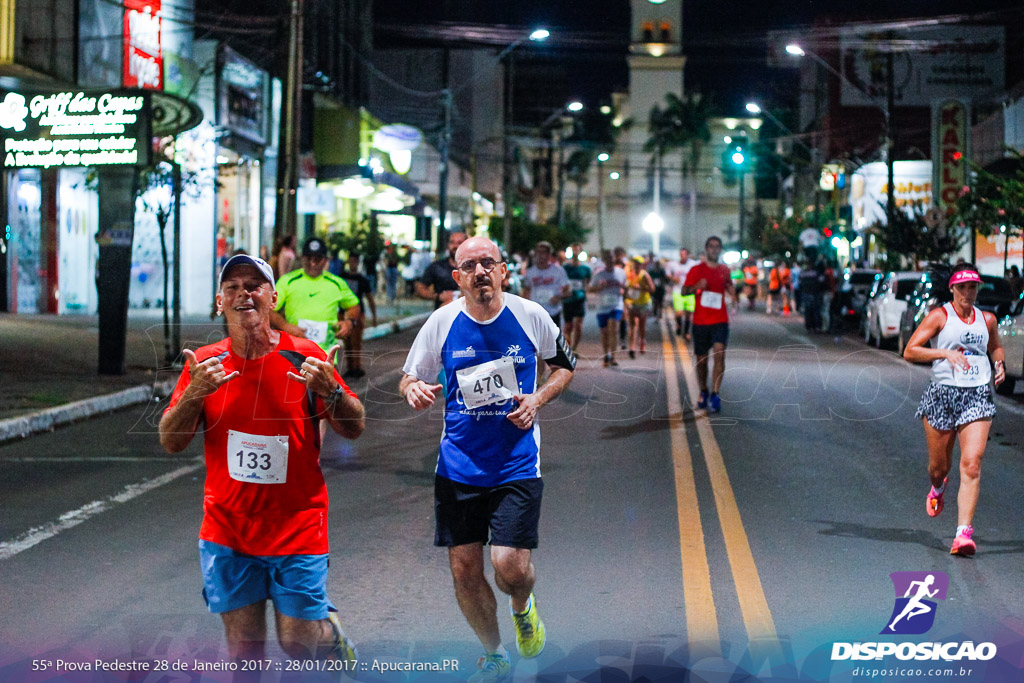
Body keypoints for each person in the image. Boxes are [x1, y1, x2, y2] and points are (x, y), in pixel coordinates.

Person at [158, 253, 365, 665]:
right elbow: (171, 440)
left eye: (254, 286)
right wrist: (195, 393)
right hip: (228, 530)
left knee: (299, 643)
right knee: (244, 654)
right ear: (220, 303)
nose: (243, 294)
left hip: (298, 525)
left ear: (273, 299)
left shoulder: (304, 356)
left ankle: (328, 631)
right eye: (233, 287)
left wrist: (333, 392)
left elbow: (354, 427)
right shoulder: (205, 365)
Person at [399, 237, 576, 682]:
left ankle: (522, 605)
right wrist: (412, 389)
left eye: (487, 264)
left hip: (516, 463)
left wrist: (537, 398)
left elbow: (565, 366)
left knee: (510, 568)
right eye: (469, 266)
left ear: (503, 271)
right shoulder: (441, 322)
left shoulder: (530, 316)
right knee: (464, 570)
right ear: (456, 277)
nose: (480, 272)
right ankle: (493, 652)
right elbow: (409, 376)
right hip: (457, 465)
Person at [903, 263, 1005, 557]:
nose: (968, 293)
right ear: (952, 289)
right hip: (942, 396)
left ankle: (963, 534)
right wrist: (944, 353)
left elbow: (995, 347)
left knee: (972, 463)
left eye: (973, 287)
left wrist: (999, 363)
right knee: (940, 468)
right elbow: (910, 350)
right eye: (963, 288)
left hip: (977, 396)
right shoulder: (939, 316)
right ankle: (937, 487)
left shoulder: (987, 320)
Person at [270, 237, 361, 362]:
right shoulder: (288, 281)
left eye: (317, 259)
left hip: (326, 356)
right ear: (302, 258)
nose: (312, 263)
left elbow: (353, 305)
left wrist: (349, 322)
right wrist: (284, 325)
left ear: (325, 260)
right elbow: (269, 309)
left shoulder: (336, 283)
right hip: (294, 354)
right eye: (309, 259)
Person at [682, 236, 738, 413]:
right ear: (706, 249)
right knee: (701, 360)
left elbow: (729, 285)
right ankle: (704, 391)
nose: (714, 250)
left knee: (720, 354)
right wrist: (696, 286)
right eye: (711, 247)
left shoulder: (724, 270)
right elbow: (684, 291)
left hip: (720, 320)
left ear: (720, 250)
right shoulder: (696, 270)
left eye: (717, 247)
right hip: (700, 321)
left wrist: (733, 295)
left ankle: (715, 393)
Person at [338, 252, 378, 379]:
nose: (353, 263)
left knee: (356, 342)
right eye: (351, 260)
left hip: (358, 313)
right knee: (347, 342)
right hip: (342, 313)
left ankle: (357, 366)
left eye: (355, 261)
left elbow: (370, 298)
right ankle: (350, 367)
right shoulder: (341, 278)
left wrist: (374, 316)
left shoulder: (362, 280)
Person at [590, 250, 626, 367]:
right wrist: (599, 287)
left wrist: (623, 290)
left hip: (616, 305)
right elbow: (590, 289)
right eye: (607, 258)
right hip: (602, 307)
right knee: (605, 333)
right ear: (604, 260)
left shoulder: (621, 272)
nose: (610, 260)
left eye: (611, 258)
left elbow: (625, 286)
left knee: (613, 329)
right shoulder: (599, 274)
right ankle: (606, 355)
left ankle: (614, 357)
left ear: (614, 259)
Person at [522, 241, 571, 327]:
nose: (541, 255)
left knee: (552, 340)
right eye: (538, 252)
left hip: (553, 312)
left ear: (549, 255)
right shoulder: (530, 272)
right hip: (535, 314)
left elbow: (568, 291)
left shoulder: (558, 271)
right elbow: (526, 291)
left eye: (544, 252)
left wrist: (559, 296)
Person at [417, 231, 468, 309]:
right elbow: (420, 288)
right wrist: (438, 296)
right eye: (452, 242)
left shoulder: (474, 268)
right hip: (442, 313)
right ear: (448, 245)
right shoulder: (437, 267)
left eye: (459, 242)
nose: (455, 246)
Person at [561, 243, 592, 351]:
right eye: (573, 250)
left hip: (580, 299)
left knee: (578, 325)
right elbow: (561, 282)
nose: (575, 252)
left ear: (580, 252)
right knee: (568, 326)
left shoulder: (585, 269)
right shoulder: (565, 268)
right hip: (568, 299)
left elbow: (587, 283)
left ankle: (574, 348)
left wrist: (585, 291)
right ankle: (567, 347)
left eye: (577, 250)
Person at [624, 256, 655, 358]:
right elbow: (626, 288)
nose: (636, 265)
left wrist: (641, 288)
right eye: (635, 263)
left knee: (641, 325)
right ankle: (632, 347)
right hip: (633, 302)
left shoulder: (645, 275)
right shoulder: (630, 274)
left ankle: (642, 340)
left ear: (641, 265)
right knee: (632, 325)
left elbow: (652, 289)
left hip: (643, 303)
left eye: (638, 263)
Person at [667, 247, 700, 340]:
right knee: (679, 312)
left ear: (688, 255)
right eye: (681, 254)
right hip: (678, 291)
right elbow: (668, 274)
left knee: (688, 314)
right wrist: (674, 279)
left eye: (684, 254)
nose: (682, 256)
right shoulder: (674, 265)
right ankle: (679, 325)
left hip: (689, 292)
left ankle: (686, 331)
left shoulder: (693, 264)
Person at [647, 255, 669, 320]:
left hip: (661, 289)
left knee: (660, 302)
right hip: (654, 289)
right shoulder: (651, 271)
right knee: (655, 301)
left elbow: (666, 279)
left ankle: (660, 314)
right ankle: (655, 313)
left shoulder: (662, 271)